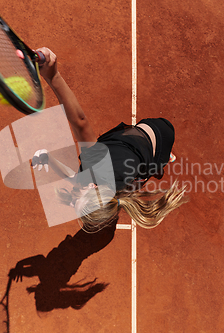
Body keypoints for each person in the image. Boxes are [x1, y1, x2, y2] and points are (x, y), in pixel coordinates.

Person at [35, 47, 188, 233]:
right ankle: (164, 157)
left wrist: (49, 159)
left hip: (140, 157)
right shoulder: (97, 165)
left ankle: (161, 160)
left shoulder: (113, 194)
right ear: (92, 187)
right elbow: (80, 123)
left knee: (148, 170)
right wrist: (53, 76)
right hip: (159, 132)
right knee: (160, 158)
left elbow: (73, 179)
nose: (73, 196)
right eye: (78, 197)